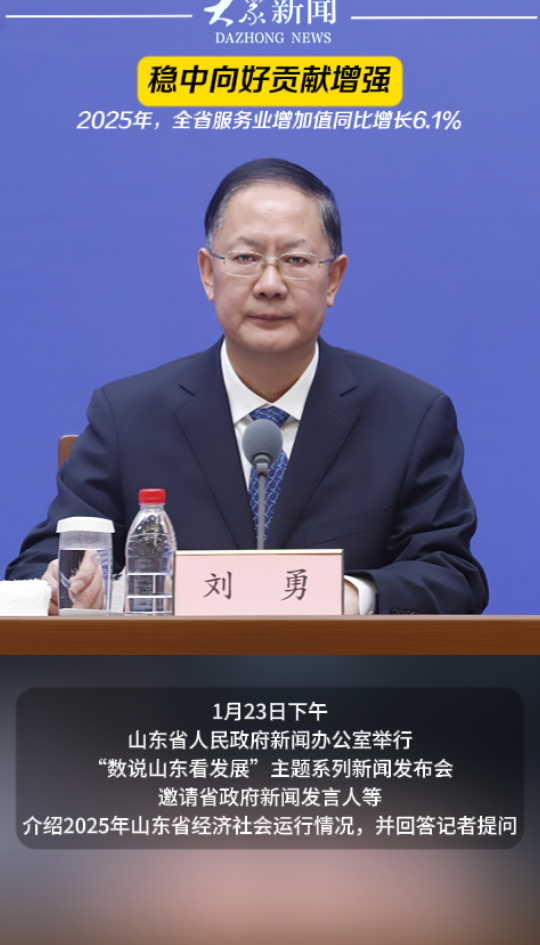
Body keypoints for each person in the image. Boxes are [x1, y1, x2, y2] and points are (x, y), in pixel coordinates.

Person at [5, 158, 488, 615]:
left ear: (333, 278)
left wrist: (346, 595)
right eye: (245, 257)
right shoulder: (127, 416)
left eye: (296, 259)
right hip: (170, 673)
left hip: (339, 673)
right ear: (208, 273)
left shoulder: (409, 416)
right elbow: (36, 566)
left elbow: (453, 576)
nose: (270, 284)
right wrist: (62, 585)